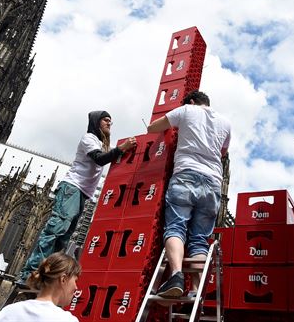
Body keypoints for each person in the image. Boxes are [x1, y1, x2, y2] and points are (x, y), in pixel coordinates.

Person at [17, 111, 137, 284]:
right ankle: (29, 274)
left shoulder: (101, 144)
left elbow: (109, 156)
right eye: (106, 120)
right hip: (72, 188)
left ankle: (47, 274)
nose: (109, 123)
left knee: (64, 237)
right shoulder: (89, 138)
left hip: (82, 193)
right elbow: (99, 159)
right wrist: (121, 148)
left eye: (111, 121)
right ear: (96, 122)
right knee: (55, 231)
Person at [147, 90, 231, 298]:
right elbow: (223, 153)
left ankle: (176, 275)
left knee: (176, 227)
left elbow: (153, 128)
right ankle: (195, 289)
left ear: (192, 102)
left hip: (187, 174)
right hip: (213, 182)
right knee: (200, 239)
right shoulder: (226, 122)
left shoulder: (187, 110)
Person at [0, 252, 81, 322]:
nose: (76, 287)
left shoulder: (9, 311)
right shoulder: (66, 320)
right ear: (63, 279)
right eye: (75, 281)